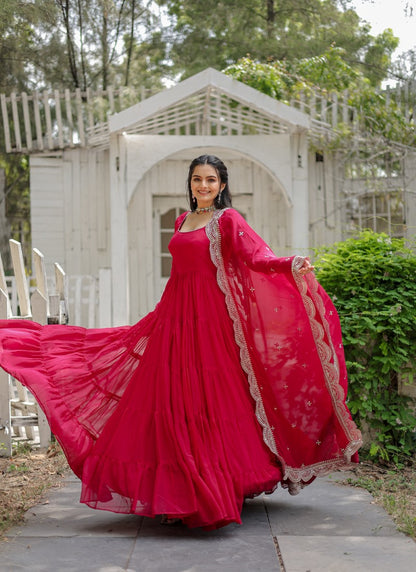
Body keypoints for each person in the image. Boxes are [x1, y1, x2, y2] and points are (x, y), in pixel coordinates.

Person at [0, 154, 362, 530]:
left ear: (222, 185)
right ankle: (177, 492)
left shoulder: (228, 220)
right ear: (190, 184)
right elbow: (179, 275)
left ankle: (216, 486)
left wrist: (290, 264)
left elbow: (257, 257)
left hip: (212, 325)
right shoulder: (181, 221)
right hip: (175, 319)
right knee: (171, 403)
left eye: (210, 180)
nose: (203, 186)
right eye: (197, 180)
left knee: (212, 402)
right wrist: (161, 316)